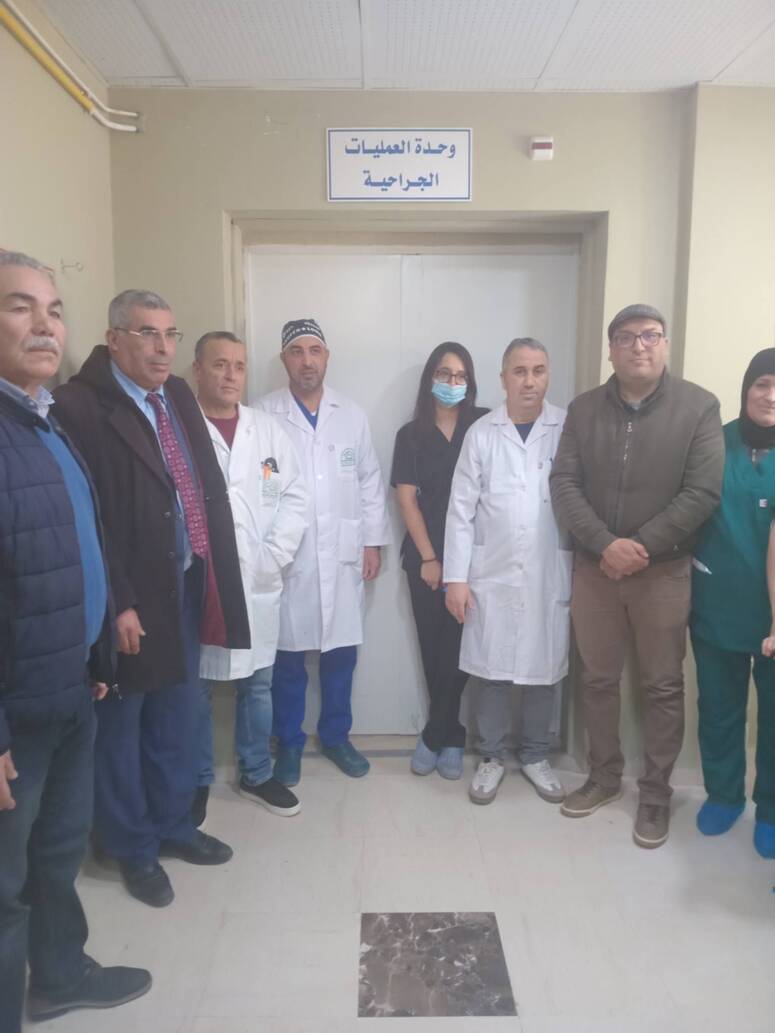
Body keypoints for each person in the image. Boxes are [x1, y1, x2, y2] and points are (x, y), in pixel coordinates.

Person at [53, 290, 250, 908]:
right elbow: (88, 516)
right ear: (115, 339)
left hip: (182, 583)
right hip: (132, 600)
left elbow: (201, 486)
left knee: (174, 716)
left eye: (170, 334)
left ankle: (173, 826)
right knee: (122, 729)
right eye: (147, 334)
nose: (163, 348)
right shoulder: (81, 407)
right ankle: (132, 848)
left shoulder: (177, 395)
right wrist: (119, 602)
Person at [0, 252, 150, 1031]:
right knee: (4, 883)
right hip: (15, 716)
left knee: (55, 857)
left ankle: (57, 976)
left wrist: (93, 655)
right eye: (19, 307)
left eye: (54, 310)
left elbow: (71, 551)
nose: (43, 325)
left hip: (68, 686)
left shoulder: (44, 421)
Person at [550, 303, 724, 849]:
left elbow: (702, 492)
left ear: (665, 343)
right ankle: (603, 777)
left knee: (663, 685)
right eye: (626, 337)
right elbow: (563, 483)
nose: (639, 346)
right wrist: (606, 544)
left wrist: (639, 547)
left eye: (650, 335)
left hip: (663, 573)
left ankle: (655, 795)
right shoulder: (583, 410)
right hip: (595, 569)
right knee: (598, 679)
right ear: (611, 350)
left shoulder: (698, 407)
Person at [257, 319, 391, 786]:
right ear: (284, 360)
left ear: (327, 357)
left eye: (315, 350)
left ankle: (336, 737)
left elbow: (370, 481)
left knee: (340, 654)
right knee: (287, 658)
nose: (307, 361)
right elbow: (260, 483)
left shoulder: (351, 415)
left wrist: (372, 541)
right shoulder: (264, 414)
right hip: (287, 556)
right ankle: (289, 743)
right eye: (297, 352)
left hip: (343, 554)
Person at [444, 339, 570, 805]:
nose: (529, 381)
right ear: (503, 379)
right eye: (519, 371)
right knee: (491, 671)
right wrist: (456, 579)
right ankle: (491, 756)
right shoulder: (481, 434)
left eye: (538, 370)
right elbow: (460, 511)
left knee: (544, 668)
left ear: (548, 374)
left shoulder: (566, 428)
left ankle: (536, 755)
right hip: (490, 573)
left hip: (548, 571)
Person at [193, 332, 308, 821]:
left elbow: (295, 495)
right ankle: (196, 781)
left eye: (238, 366)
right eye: (219, 364)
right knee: (196, 689)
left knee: (258, 684)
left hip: (258, 579)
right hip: (202, 581)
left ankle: (256, 773)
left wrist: (273, 555)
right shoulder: (181, 428)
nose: (230, 375)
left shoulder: (267, 431)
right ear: (197, 370)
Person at [691, 349, 775, 858]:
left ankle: (771, 810)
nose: (771, 396)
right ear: (747, 388)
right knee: (720, 708)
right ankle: (723, 795)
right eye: (763, 384)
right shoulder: (713, 443)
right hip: (717, 602)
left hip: (773, 615)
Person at [391, 343, 486, 779]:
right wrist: (430, 557)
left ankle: (438, 734)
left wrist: (459, 566)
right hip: (425, 560)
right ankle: (451, 734)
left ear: (470, 383)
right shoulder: (410, 436)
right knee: (433, 650)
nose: (452, 383)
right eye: (445, 374)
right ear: (430, 377)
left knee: (461, 651)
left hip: (475, 561)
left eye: (460, 376)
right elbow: (406, 500)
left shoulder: (483, 426)